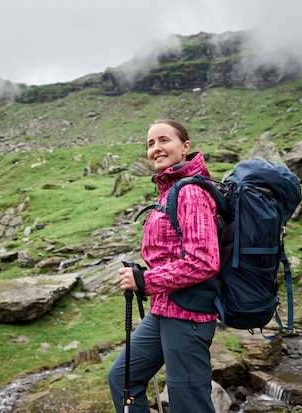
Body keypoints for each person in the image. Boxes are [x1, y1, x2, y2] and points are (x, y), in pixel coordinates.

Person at [108, 119, 220, 412]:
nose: (156, 148)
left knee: (188, 403)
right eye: (150, 143)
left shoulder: (190, 193)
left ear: (185, 147)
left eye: (164, 140)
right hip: (164, 309)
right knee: (122, 378)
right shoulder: (170, 190)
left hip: (188, 316)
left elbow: (204, 261)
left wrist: (145, 281)